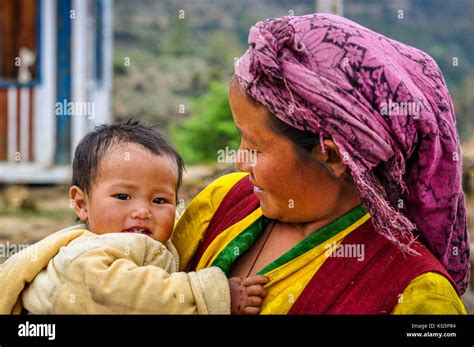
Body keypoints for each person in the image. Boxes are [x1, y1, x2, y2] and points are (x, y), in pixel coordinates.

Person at [172, 13, 469, 314]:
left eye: (255, 147)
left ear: (333, 155)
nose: (239, 162)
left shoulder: (418, 296)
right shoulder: (221, 200)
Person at [0, 120, 269, 314]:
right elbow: (123, 295)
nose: (143, 211)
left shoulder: (155, 240)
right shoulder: (86, 254)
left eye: (160, 200)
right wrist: (212, 295)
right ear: (81, 204)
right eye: (123, 197)